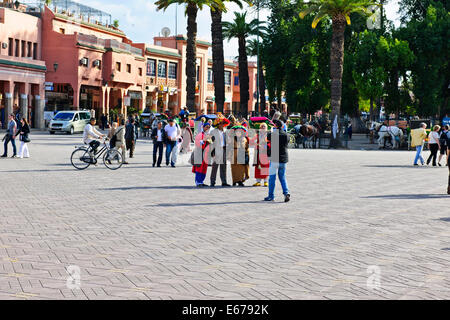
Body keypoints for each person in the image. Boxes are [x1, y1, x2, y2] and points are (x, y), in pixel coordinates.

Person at [265, 119, 290, 202]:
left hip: (274, 158)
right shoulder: (286, 135)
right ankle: (286, 193)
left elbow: (267, 141)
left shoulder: (272, 134)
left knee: (272, 178)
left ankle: (271, 196)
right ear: (282, 126)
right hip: (283, 158)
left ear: (275, 125)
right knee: (282, 177)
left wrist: (272, 131)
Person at [210, 114, 231, 187]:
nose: (222, 125)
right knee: (215, 167)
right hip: (216, 150)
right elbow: (210, 142)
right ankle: (212, 181)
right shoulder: (213, 131)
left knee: (224, 167)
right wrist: (212, 151)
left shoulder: (226, 131)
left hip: (224, 149)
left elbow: (228, 141)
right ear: (218, 124)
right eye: (221, 123)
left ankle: (224, 181)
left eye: (223, 123)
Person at [192, 122, 211, 187]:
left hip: (206, 154)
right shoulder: (200, 134)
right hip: (200, 153)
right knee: (199, 167)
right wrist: (205, 140)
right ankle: (198, 181)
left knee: (204, 168)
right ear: (203, 127)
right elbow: (198, 143)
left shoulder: (209, 135)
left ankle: (201, 181)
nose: (207, 128)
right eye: (206, 127)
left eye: (209, 127)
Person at [250, 122, 270, 187]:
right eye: (262, 126)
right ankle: (258, 181)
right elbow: (252, 141)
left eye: (264, 126)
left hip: (265, 153)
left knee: (265, 167)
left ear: (266, 128)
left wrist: (265, 146)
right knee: (258, 167)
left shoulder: (269, 135)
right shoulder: (257, 135)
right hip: (258, 152)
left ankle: (265, 181)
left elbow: (271, 143)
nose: (263, 128)